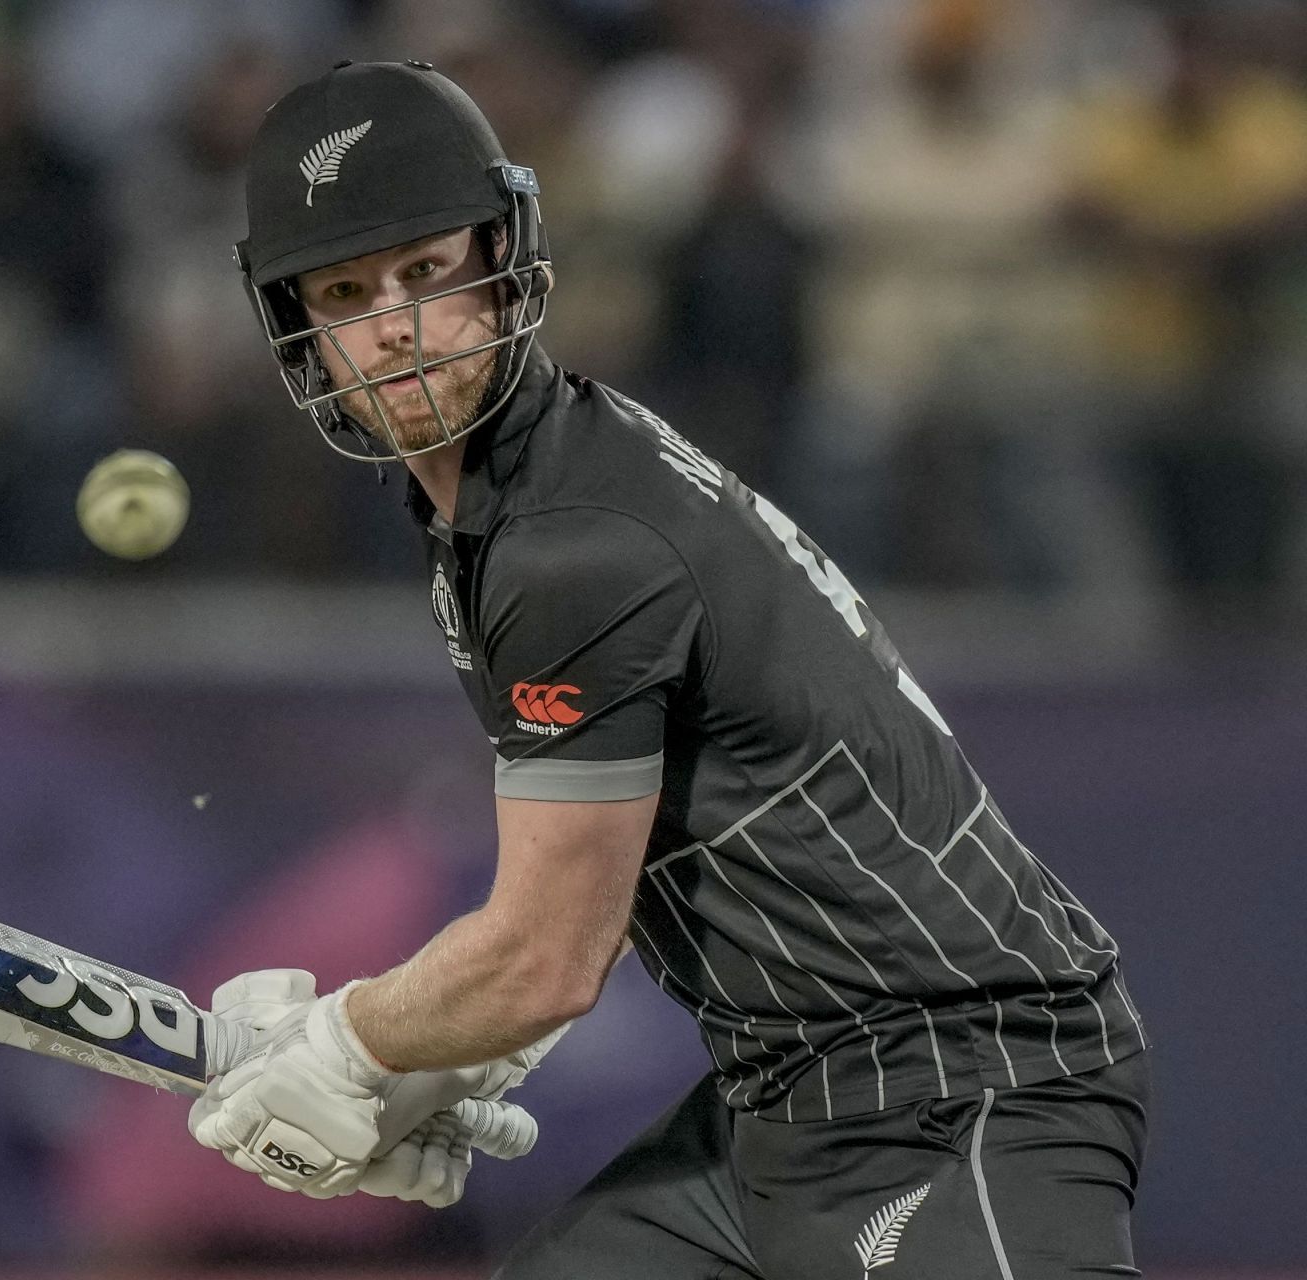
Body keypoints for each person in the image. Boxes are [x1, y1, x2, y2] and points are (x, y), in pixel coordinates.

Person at [189, 61, 1149, 1279]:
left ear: (504, 258)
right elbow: (610, 870)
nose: (397, 325)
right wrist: (434, 1057)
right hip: (783, 1098)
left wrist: (349, 1046)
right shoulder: (516, 496)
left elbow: (546, 953)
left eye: (427, 271)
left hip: (965, 1080)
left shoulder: (567, 547)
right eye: (346, 290)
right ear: (303, 332)